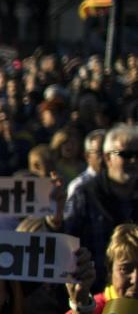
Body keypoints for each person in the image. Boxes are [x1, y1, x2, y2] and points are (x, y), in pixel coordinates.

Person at [62, 124, 138, 291]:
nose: (133, 161)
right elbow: (66, 242)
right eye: (126, 155)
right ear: (107, 158)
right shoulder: (84, 194)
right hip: (94, 294)